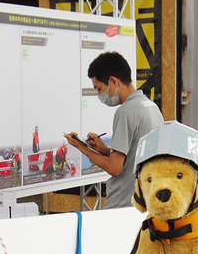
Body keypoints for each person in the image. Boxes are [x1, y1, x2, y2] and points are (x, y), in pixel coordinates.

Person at [64, 51, 163, 209]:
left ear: (113, 81)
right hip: (144, 200)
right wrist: (103, 149)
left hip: (123, 202)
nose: (99, 95)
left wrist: (81, 147)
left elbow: (114, 168)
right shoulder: (151, 107)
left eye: (99, 89)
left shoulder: (126, 111)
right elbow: (134, 155)